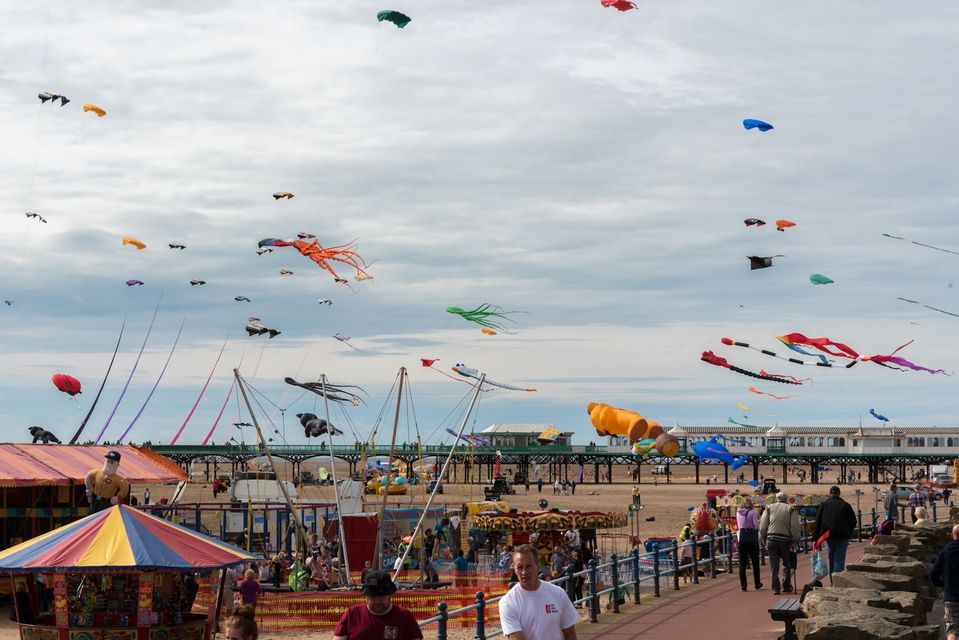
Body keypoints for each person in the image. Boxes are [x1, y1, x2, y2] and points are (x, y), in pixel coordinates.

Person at [499, 544, 579, 640]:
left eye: (528, 566)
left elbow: (570, 634)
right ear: (514, 569)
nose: (524, 572)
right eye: (520, 567)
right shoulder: (508, 602)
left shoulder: (558, 594)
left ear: (538, 566)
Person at [333, 570, 423, 640]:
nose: (377, 601)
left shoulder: (405, 617)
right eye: (373, 596)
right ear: (366, 596)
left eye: (382, 596)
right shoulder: (351, 615)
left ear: (390, 595)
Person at [812, 485, 858, 584]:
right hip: (842, 536)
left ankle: (832, 582)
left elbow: (818, 521)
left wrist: (815, 537)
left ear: (830, 494)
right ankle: (837, 583)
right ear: (839, 493)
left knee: (831, 559)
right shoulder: (845, 505)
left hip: (828, 536)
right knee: (839, 560)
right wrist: (849, 532)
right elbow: (853, 521)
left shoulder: (824, 504)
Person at [760, 491, 801, 595]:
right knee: (786, 563)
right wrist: (795, 539)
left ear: (776, 498)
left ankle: (775, 588)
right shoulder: (791, 509)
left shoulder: (769, 508)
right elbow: (794, 526)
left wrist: (764, 538)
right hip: (785, 540)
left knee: (774, 565)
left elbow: (763, 525)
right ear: (785, 499)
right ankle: (786, 585)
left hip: (771, 539)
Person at [930, 524, 959, 640]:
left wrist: (943, 584)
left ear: (953, 536)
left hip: (951, 596)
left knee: (952, 629)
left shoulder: (946, 551)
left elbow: (933, 574)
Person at [736, 496, 762, 591]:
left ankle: (743, 586)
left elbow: (739, 525)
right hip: (752, 539)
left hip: (742, 539)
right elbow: (756, 526)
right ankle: (757, 584)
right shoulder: (752, 513)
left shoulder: (738, 513)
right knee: (755, 563)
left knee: (742, 564)